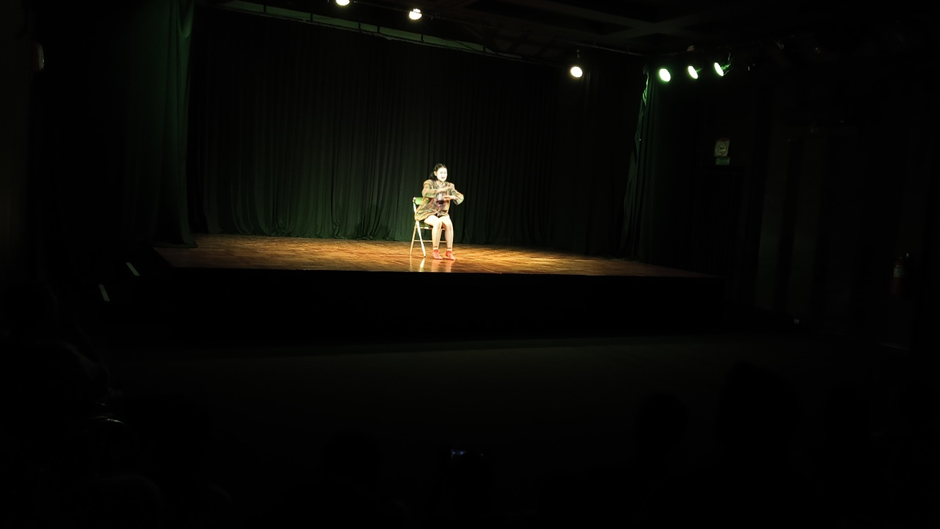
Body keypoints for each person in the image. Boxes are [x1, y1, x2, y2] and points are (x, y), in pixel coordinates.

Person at [414, 164, 464, 260]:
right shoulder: (429, 183)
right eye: (441, 173)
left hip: (442, 213)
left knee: (449, 224)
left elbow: (460, 197)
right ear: (435, 173)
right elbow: (425, 192)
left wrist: (452, 197)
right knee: (437, 222)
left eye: (445, 173)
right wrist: (440, 190)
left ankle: (449, 251)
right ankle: (435, 250)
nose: (443, 175)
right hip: (427, 212)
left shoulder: (449, 186)